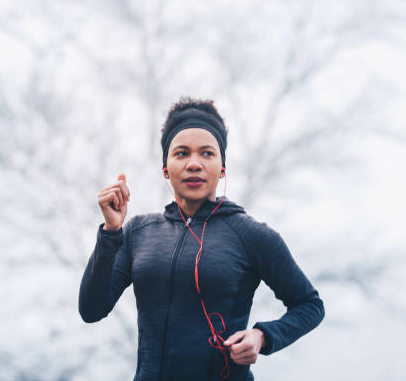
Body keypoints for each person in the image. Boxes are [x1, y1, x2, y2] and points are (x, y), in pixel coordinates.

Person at [79, 97, 325, 381]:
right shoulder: (138, 232)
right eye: (182, 153)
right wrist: (110, 232)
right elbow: (91, 309)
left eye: (207, 153)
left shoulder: (251, 235)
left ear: (222, 168)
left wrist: (262, 336)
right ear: (165, 168)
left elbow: (309, 305)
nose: (194, 163)